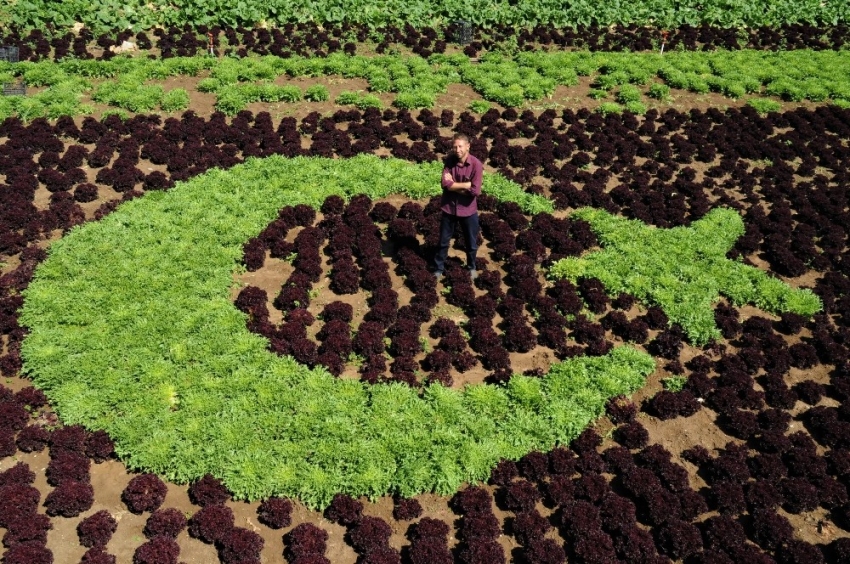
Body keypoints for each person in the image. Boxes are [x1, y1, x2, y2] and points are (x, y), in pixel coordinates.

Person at [433, 133, 482, 280]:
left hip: (468, 211)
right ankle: (438, 269)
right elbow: (444, 184)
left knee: (471, 243)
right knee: (443, 242)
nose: (457, 149)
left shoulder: (476, 165)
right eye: (455, 146)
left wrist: (453, 185)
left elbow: (475, 191)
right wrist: (465, 185)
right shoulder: (449, 161)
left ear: (468, 146)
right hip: (449, 208)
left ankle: (472, 267)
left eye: (460, 146)